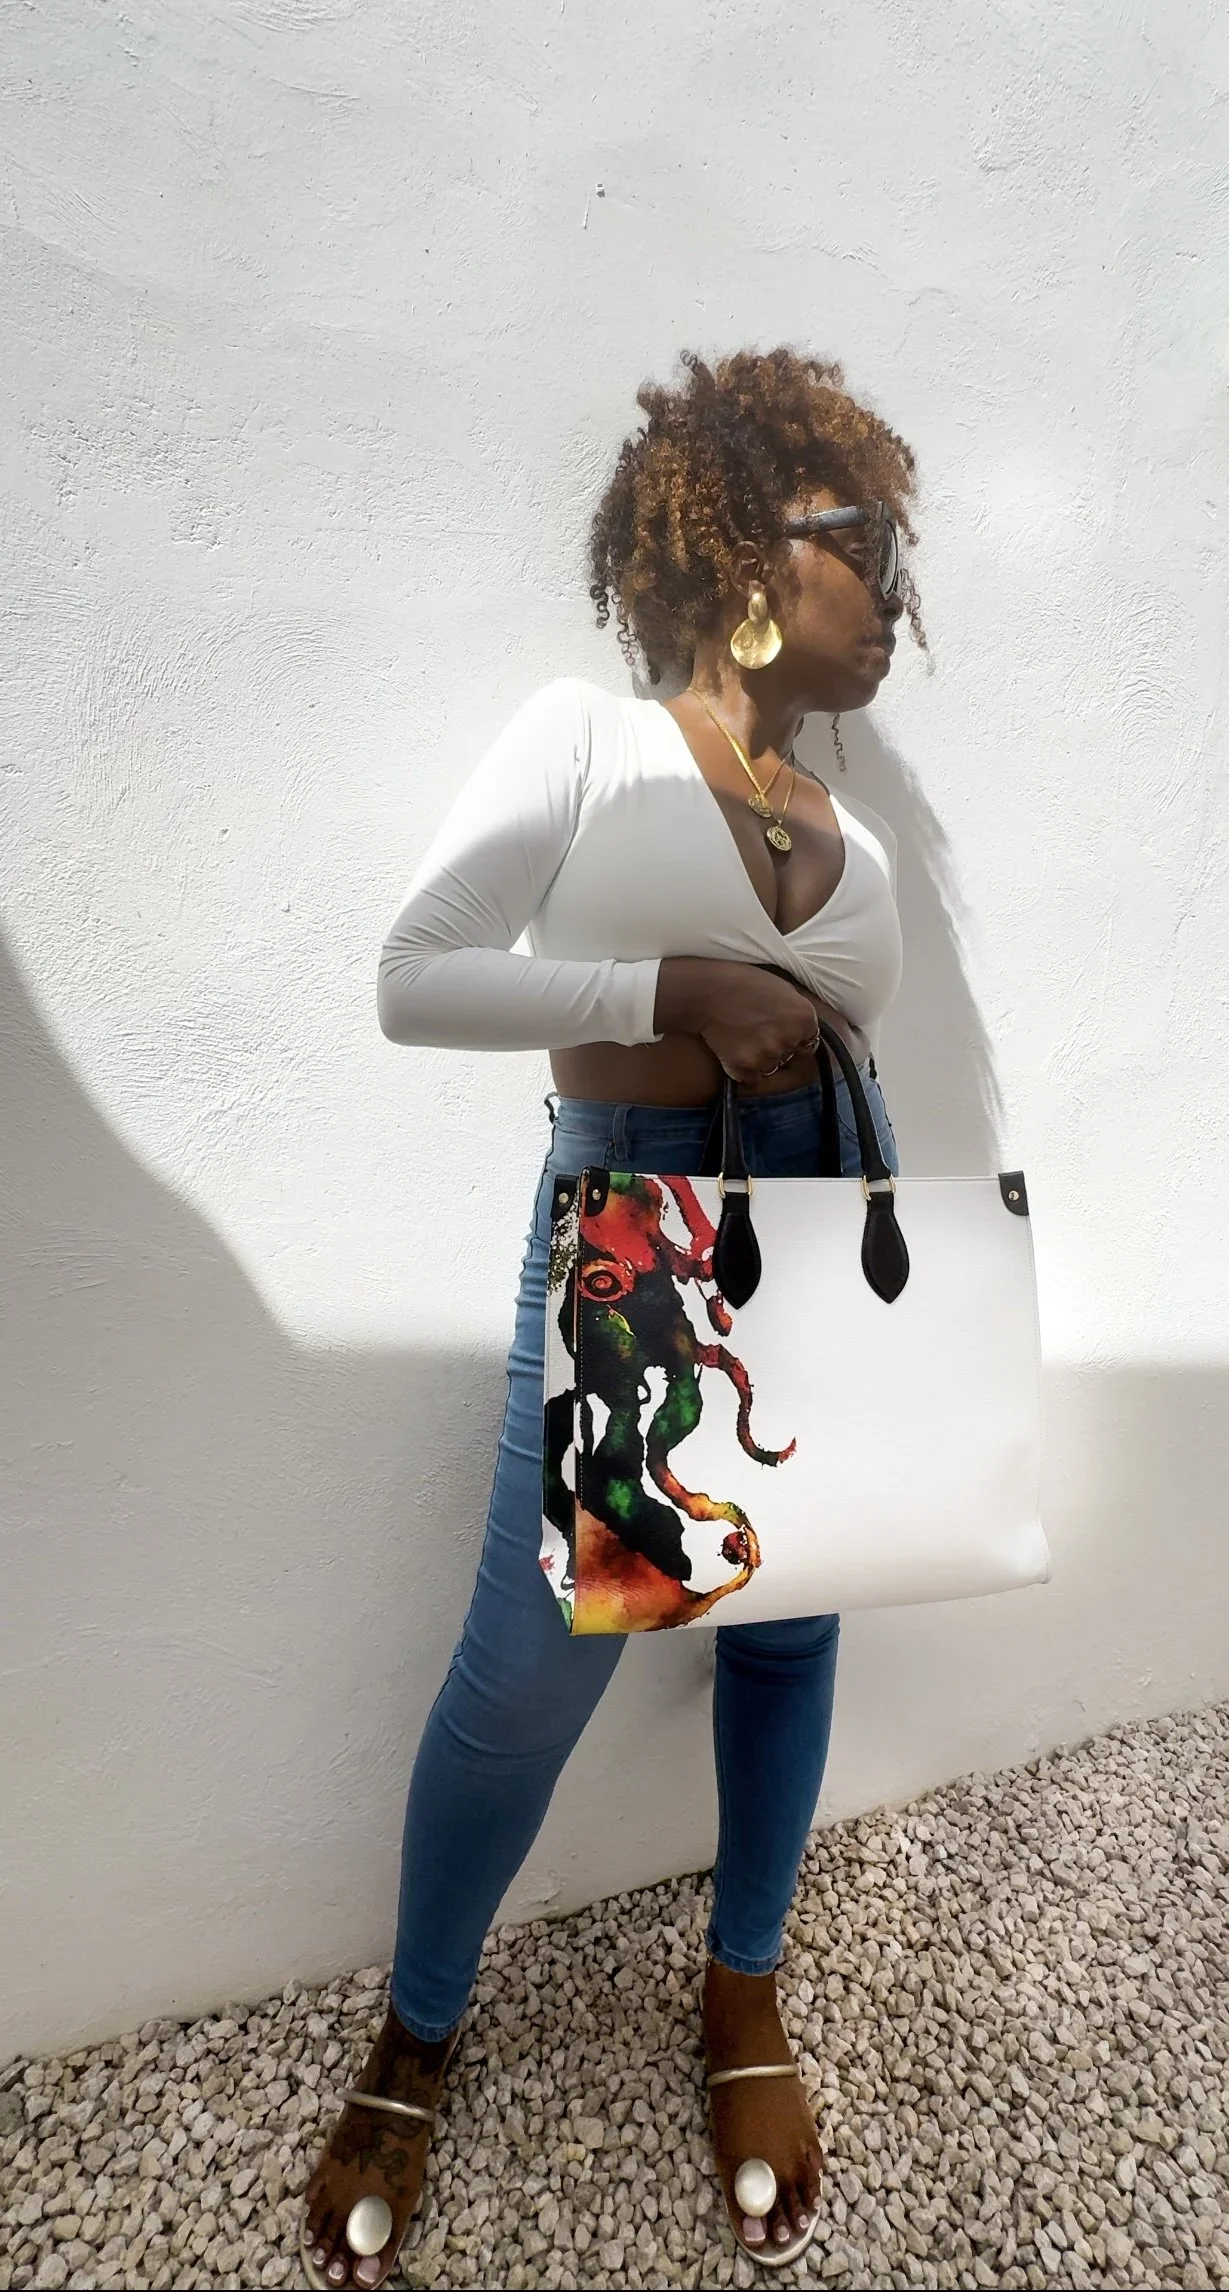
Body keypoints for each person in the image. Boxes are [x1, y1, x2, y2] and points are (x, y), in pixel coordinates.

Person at [300, 347, 923, 2287]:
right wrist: (664, 990)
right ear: (746, 548)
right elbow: (415, 974)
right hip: (633, 1229)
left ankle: (743, 1993)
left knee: (791, 1626)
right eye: (866, 543)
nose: (894, 594)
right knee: (530, 1670)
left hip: (810, 1220)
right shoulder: (584, 738)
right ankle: (418, 2026)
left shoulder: (860, 844)